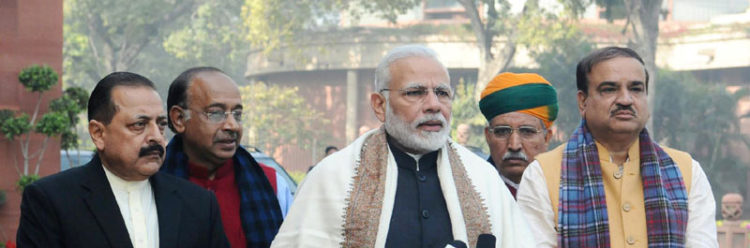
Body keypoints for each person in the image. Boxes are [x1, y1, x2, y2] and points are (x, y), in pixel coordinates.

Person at [272, 45, 533, 248]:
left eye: (442, 93)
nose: (434, 105)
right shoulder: (333, 178)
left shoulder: (482, 179)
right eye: (415, 92)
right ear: (379, 105)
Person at [516, 47, 718, 247]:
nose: (625, 99)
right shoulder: (542, 174)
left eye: (636, 89)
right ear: (583, 101)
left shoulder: (687, 171)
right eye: (610, 89)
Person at [17, 72, 228, 248]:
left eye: (161, 124)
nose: (156, 136)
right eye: (139, 124)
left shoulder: (199, 204)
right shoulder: (52, 201)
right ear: (98, 133)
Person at [161, 67, 292, 248]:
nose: (232, 126)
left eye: (237, 114)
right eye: (216, 113)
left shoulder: (272, 184)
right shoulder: (150, 182)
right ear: (179, 119)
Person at [478, 72, 557, 198]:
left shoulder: (567, 192)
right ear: (488, 136)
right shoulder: (468, 191)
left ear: (547, 138)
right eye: (502, 131)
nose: (514, 145)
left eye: (527, 131)